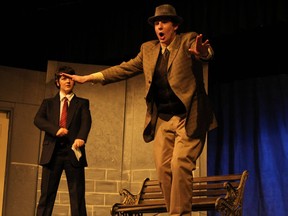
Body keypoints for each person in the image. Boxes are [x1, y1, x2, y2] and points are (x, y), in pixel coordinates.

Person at [63, 4, 217, 216]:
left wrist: (204, 52)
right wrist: (90, 78)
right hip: (163, 119)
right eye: (156, 23)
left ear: (174, 26)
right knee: (164, 170)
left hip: (188, 116)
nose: (159, 27)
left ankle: (179, 215)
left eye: (163, 22)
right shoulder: (148, 50)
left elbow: (205, 52)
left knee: (180, 164)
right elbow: (124, 69)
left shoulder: (187, 40)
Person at [34, 66, 92, 216]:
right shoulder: (48, 103)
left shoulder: (82, 103)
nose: (68, 81)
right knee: (46, 196)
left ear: (75, 82)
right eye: (64, 78)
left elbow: (86, 122)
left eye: (70, 78)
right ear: (57, 82)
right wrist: (55, 130)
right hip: (52, 153)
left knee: (77, 196)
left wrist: (81, 137)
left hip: (73, 152)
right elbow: (38, 120)